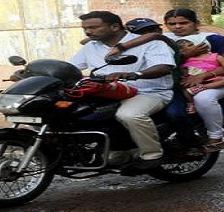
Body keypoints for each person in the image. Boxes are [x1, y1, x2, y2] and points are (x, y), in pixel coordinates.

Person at [110, 9, 224, 152]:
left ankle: (203, 139)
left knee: (180, 111)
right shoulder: (163, 39)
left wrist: (201, 76)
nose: (178, 27)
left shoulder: (214, 39)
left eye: (183, 22)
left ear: (197, 23)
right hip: (165, 83)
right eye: (172, 24)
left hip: (206, 83)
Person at [69, 11, 176, 174]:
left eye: (93, 27)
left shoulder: (151, 43)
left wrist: (135, 74)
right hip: (106, 92)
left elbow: (163, 67)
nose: (88, 32)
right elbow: (71, 68)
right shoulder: (91, 46)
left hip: (147, 91)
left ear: (114, 26)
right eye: (85, 28)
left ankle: (152, 155)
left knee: (129, 114)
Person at [174, 35, 224, 150]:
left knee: (203, 98)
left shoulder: (216, 57)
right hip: (197, 85)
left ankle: (216, 136)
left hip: (218, 82)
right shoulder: (186, 61)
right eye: (184, 48)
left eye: (191, 45)